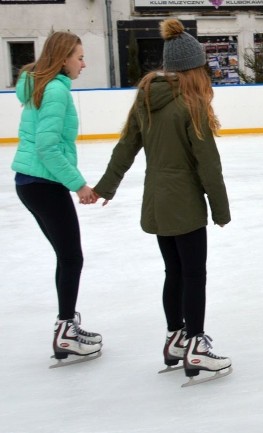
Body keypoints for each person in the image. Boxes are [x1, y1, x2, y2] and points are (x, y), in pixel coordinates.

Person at [92, 18, 232, 382]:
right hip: (184, 205)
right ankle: (196, 346)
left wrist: (107, 186)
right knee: (194, 275)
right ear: (193, 69)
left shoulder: (147, 99)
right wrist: (220, 209)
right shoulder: (192, 105)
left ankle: (176, 337)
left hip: (155, 201)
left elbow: (126, 146)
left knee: (174, 272)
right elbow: (208, 165)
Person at [11, 31, 103, 365]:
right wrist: (79, 185)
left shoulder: (40, 85)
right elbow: (47, 147)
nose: (83, 62)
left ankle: (66, 324)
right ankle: (65, 330)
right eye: (79, 56)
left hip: (30, 182)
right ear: (63, 58)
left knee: (66, 256)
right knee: (71, 257)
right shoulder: (54, 91)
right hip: (43, 182)